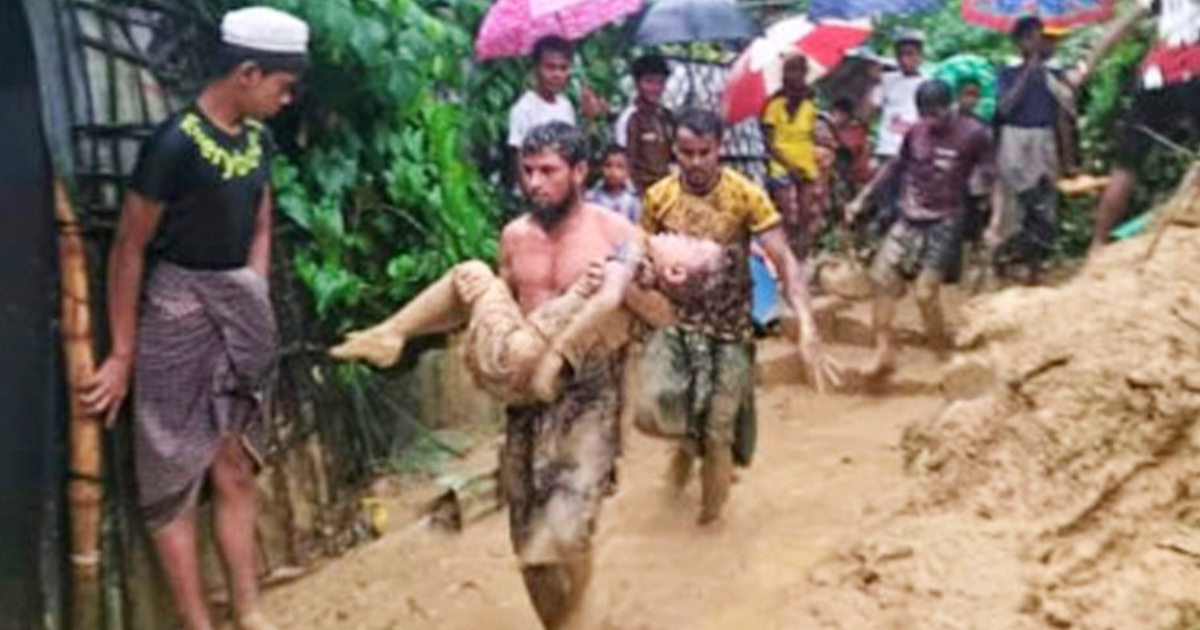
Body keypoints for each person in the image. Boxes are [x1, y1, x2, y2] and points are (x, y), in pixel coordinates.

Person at [79, 8, 308, 630]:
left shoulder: (258, 142)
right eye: (281, 88)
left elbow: (260, 220)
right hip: (175, 318)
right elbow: (129, 247)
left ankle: (248, 607)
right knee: (171, 473)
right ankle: (194, 621)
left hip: (236, 317)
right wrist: (123, 353)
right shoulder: (173, 144)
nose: (286, 101)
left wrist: (251, 293)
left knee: (233, 464)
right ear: (247, 72)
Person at [638, 108, 840, 526]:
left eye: (704, 152)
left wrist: (807, 325)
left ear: (720, 150)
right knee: (655, 411)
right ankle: (685, 456)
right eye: (686, 152)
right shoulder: (659, 197)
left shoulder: (746, 195)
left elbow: (784, 259)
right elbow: (641, 252)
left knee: (718, 431)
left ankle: (709, 524)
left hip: (731, 329)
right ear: (675, 150)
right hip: (675, 326)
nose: (694, 162)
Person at [328, 230, 728, 405]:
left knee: (471, 272)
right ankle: (398, 335)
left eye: (689, 243)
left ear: (676, 272)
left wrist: (553, 358)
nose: (680, 233)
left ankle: (392, 334)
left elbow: (606, 300)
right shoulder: (661, 306)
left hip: (517, 358)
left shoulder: (630, 272)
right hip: (526, 366)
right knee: (477, 294)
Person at [847, 80, 994, 377]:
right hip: (910, 216)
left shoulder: (975, 134)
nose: (930, 121)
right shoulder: (915, 132)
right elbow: (894, 167)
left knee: (926, 294)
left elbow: (994, 177)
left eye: (935, 114)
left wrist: (994, 219)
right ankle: (884, 352)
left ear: (949, 107)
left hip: (946, 219)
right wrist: (863, 197)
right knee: (881, 278)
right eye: (925, 114)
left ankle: (944, 358)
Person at [1090, 0, 1200, 251]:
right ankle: (1180, 206)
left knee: (1126, 164)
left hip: (1156, 75)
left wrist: (1085, 67)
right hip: (1194, 69)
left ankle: (1097, 245)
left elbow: (1123, 24)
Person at [987, 16, 1068, 285]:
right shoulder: (1006, 73)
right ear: (1020, 42)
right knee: (1015, 204)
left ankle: (1037, 265)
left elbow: (1062, 117)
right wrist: (1027, 72)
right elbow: (1003, 109)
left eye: (1039, 37)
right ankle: (1005, 263)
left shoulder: (1053, 75)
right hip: (1015, 139)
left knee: (1044, 204)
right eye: (1031, 37)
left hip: (1043, 140)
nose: (1037, 43)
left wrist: (1067, 158)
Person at [859, 28, 927, 232]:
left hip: (914, 153)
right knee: (885, 205)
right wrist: (873, 82)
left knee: (909, 204)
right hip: (887, 151)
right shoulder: (887, 80)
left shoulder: (927, 83)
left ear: (920, 56)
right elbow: (864, 115)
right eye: (902, 54)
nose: (906, 59)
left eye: (911, 54)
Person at [761, 54, 826, 260]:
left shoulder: (809, 107)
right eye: (791, 71)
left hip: (805, 164)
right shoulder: (774, 106)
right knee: (787, 214)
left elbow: (812, 135)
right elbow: (769, 143)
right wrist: (789, 167)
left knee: (806, 215)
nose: (795, 76)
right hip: (780, 164)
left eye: (799, 71)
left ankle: (801, 257)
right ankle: (785, 255)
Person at [508, 36, 578, 156]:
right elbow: (518, 154)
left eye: (563, 68)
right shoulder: (524, 109)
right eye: (550, 67)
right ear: (536, 68)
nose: (557, 75)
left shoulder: (566, 106)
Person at [614, 54, 675, 192]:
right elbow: (622, 159)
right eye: (649, 82)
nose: (655, 88)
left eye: (660, 82)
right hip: (639, 192)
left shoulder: (667, 116)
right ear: (637, 83)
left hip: (664, 191)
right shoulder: (630, 117)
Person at [587, 145, 642, 222]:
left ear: (627, 172)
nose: (613, 172)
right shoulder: (592, 197)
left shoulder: (632, 199)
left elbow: (637, 224)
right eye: (608, 165)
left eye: (619, 167)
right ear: (601, 168)